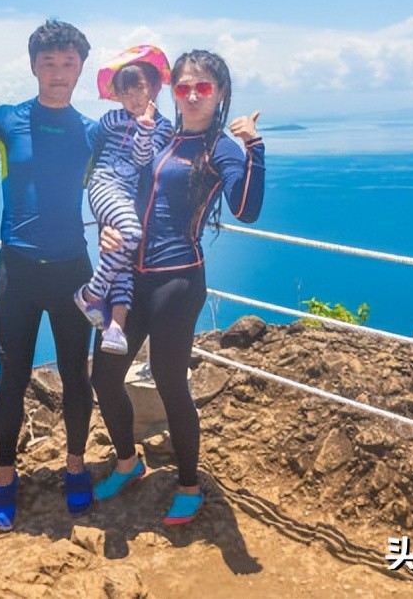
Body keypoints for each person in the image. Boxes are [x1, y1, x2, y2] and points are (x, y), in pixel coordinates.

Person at [0, 19, 101, 532]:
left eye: (67, 63)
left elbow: (134, 176)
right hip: (19, 272)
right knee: (12, 377)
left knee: (77, 375)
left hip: (73, 269)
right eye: (47, 62)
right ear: (33, 66)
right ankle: (6, 478)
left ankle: (75, 468)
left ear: (80, 69)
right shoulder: (8, 119)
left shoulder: (92, 132)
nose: (57, 72)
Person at [90, 49, 265, 526]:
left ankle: (189, 485)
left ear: (220, 94)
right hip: (129, 276)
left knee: (170, 384)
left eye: (202, 87)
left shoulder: (219, 146)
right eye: (183, 86)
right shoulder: (162, 133)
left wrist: (255, 149)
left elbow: (246, 209)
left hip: (177, 281)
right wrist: (109, 227)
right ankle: (129, 463)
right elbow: (127, 189)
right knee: (103, 377)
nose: (190, 95)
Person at [73, 45, 174, 356]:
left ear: (153, 88)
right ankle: (91, 293)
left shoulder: (163, 127)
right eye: (125, 91)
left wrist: (145, 128)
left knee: (123, 259)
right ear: (117, 94)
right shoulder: (110, 119)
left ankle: (115, 327)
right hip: (104, 186)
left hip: (127, 194)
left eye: (139, 89)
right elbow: (90, 150)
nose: (133, 98)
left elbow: (144, 159)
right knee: (130, 234)